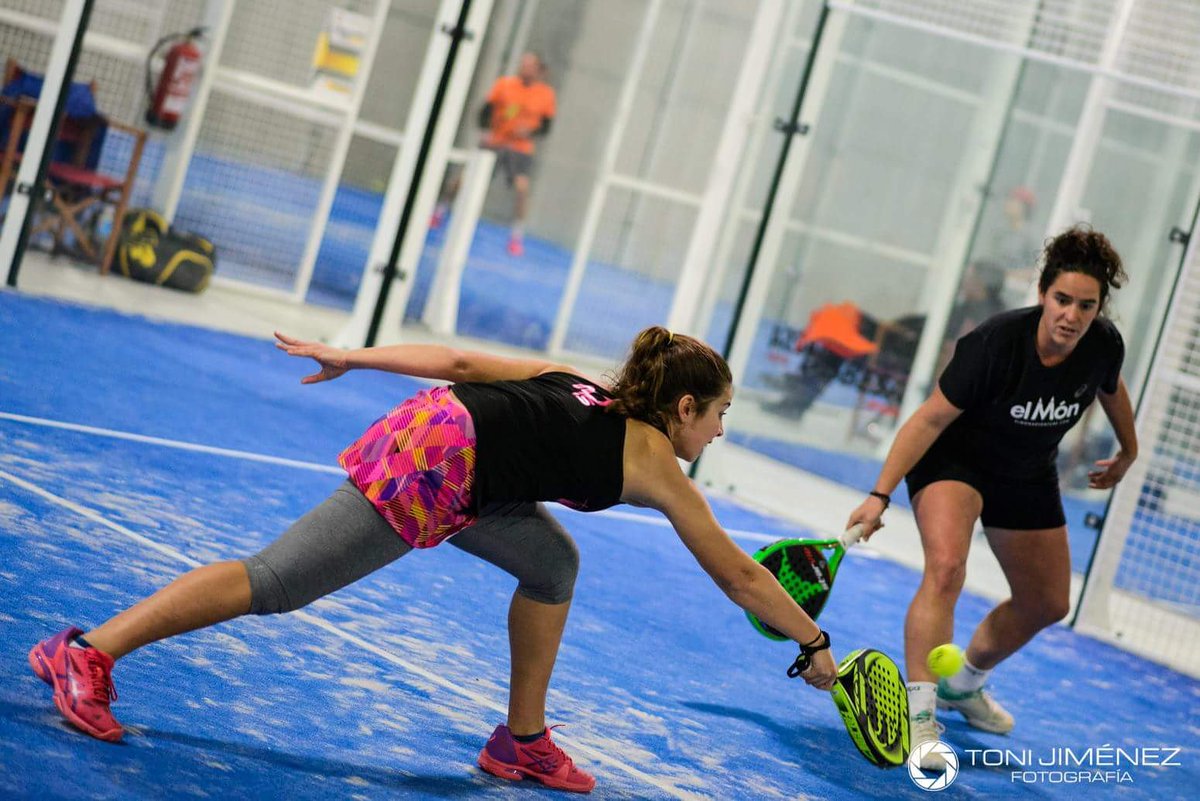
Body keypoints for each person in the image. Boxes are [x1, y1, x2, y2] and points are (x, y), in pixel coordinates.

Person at [28, 326, 838, 793]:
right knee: (276, 581)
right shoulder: (657, 458)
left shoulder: (585, 386)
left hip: (453, 447)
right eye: (721, 414)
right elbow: (738, 574)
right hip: (444, 463)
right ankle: (87, 652)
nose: (720, 434)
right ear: (684, 407)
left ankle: (521, 739)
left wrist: (355, 354)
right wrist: (814, 642)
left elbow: (458, 364)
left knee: (552, 564)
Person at [845, 225, 1137, 771]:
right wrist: (878, 496)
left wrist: (1129, 449)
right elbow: (929, 418)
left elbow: (1110, 387)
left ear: (1099, 309)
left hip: (1025, 470)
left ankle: (964, 683)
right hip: (955, 461)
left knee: (1047, 602)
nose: (1072, 315)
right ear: (1043, 295)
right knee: (947, 569)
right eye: (1062, 300)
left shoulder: (1102, 345)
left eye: (1086, 305)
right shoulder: (993, 344)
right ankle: (921, 721)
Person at [432, 52, 556, 257]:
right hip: (495, 142)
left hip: (520, 149)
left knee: (522, 189)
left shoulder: (545, 95)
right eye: (522, 64)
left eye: (529, 65)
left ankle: (516, 236)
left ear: (538, 70)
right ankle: (440, 211)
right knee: (462, 180)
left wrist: (529, 132)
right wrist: (486, 132)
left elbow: (546, 127)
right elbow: (484, 112)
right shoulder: (504, 85)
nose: (523, 68)